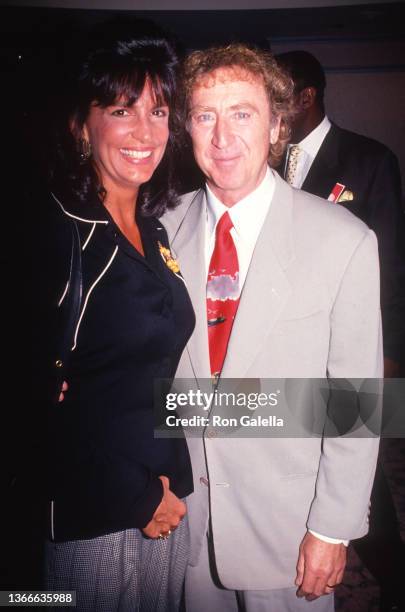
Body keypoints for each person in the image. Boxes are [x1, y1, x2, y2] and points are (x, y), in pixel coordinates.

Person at [161, 43, 382, 612]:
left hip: (289, 531)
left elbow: (356, 400)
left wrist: (332, 529)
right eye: (206, 115)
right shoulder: (159, 231)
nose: (222, 137)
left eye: (242, 114)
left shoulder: (344, 240)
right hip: (186, 523)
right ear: (187, 128)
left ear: (277, 125)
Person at [31, 20, 195, 612]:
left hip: (167, 498)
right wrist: (134, 498)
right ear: (82, 125)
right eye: (122, 110)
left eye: (158, 111)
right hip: (97, 515)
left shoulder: (154, 228)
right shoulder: (54, 236)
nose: (144, 132)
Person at [275, 50, 405, 612]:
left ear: (307, 96)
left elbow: (392, 266)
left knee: (361, 470)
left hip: (353, 347)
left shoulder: (369, 158)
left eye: (280, 98)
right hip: (286, 348)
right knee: (294, 455)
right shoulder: (265, 159)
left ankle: (391, 574)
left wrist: (390, 356)